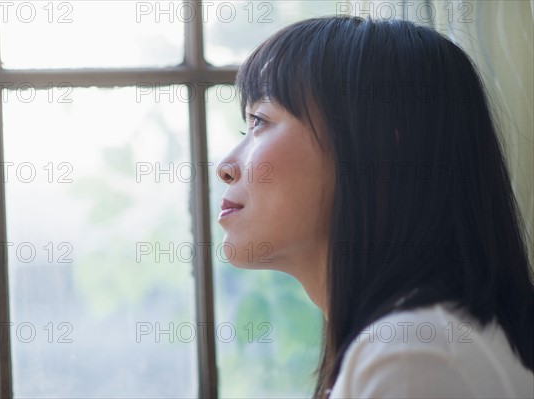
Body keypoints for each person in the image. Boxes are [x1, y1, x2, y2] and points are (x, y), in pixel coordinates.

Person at [216, 16, 534, 398]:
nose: (225, 167)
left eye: (260, 120)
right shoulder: (426, 343)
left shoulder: (413, 356)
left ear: (381, 150)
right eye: (245, 128)